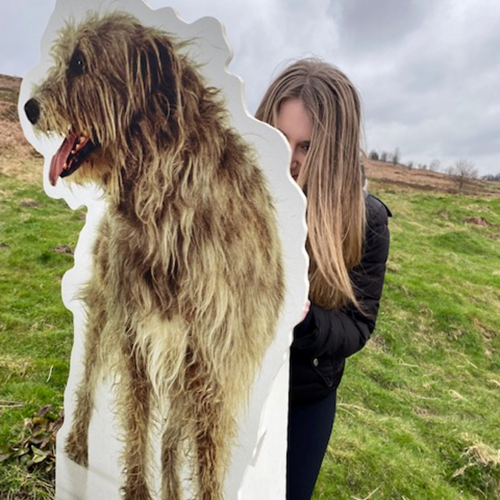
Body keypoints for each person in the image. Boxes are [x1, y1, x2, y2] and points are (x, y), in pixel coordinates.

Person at [255, 59, 391, 500]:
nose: (287, 160)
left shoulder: (365, 220)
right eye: (278, 139)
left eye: (306, 147)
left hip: (305, 398)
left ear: (334, 150)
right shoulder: (233, 195)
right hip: (230, 385)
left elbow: (359, 324)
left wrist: (308, 324)